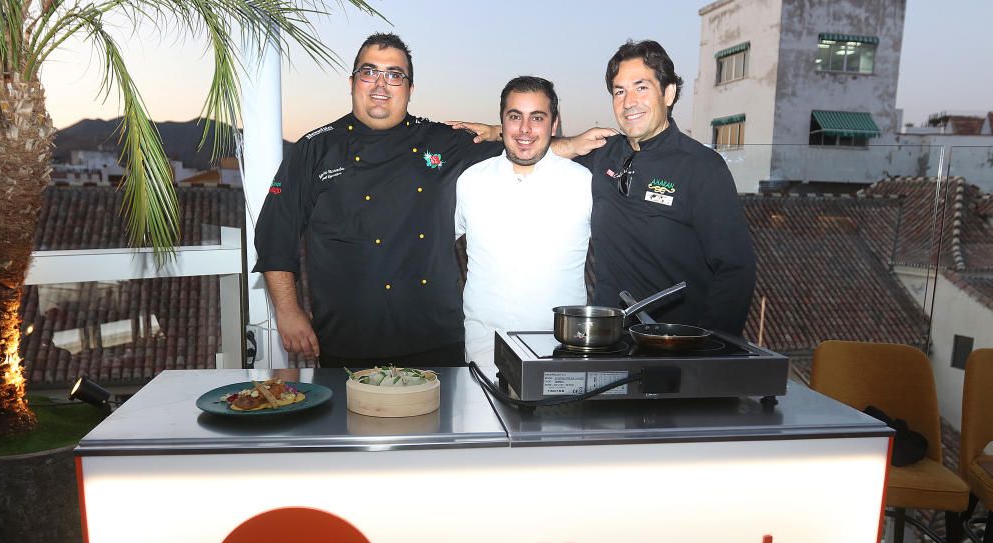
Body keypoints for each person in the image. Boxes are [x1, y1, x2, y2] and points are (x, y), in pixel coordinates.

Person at [454, 40, 755, 336]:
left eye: (641, 87)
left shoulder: (702, 167)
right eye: (619, 91)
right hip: (610, 342)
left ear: (669, 93)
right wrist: (499, 132)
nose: (629, 101)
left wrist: (711, 350)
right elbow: (538, 147)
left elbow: (735, 271)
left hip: (675, 346)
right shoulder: (605, 154)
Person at [252, 33, 503, 368]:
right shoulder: (314, 149)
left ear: (410, 88)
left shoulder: (443, 141)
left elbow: (528, 148)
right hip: (346, 343)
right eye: (369, 72)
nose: (381, 84)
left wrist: (499, 130)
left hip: (435, 341)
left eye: (395, 75)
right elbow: (274, 235)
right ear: (352, 81)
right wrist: (287, 311)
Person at [454, 76, 592, 368]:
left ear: (554, 125)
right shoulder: (470, 181)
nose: (525, 129)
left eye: (537, 118)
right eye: (515, 117)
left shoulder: (584, 184)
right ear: (502, 123)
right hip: (482, 355)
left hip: (561, 356)